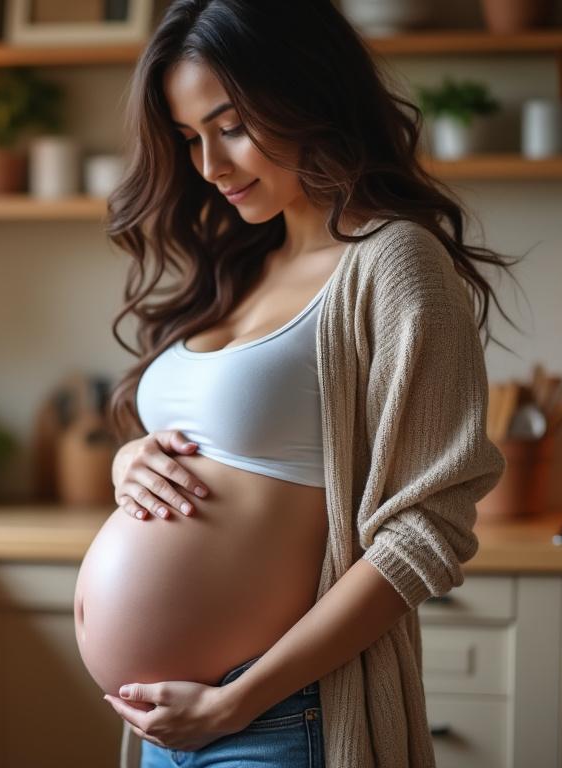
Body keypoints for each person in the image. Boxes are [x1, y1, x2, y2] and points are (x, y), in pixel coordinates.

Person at [98, 0, 519, 765]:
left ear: (305, 94)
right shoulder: (237, 263)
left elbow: (425, 531)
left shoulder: (394, 262)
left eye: (230, 126)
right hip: (167, 727)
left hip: (277, 720)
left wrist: (236, 702)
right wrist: (130, 463)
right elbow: (226, 451)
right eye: (191, 137)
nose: (210, 165)